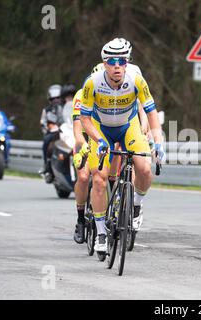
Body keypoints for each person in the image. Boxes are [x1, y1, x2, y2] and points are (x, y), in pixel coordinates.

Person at [80, 38, 165, 253]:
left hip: (128, 126)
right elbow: (85, 119)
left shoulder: (137, 80)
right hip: (101, 130)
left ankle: (136, 205)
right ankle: (100, 233)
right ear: (104, 63)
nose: (117, 65)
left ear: (127, 63)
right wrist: (98, 140)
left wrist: (158, 142)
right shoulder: (93, 82)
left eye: (121, 61)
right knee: (99, 179)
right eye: (111, 61)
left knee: (145, 168)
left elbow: (151, 112)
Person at [39, 84, 64, 182]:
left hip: (65, 132)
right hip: (52, 133)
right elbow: (42, 123)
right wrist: (48, 130)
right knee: (46, 141)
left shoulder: (66, 107)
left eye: (58, 98)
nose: (56, 100)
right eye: (53, 98)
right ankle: (47, 166)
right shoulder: (46, 110)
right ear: (50, 99)